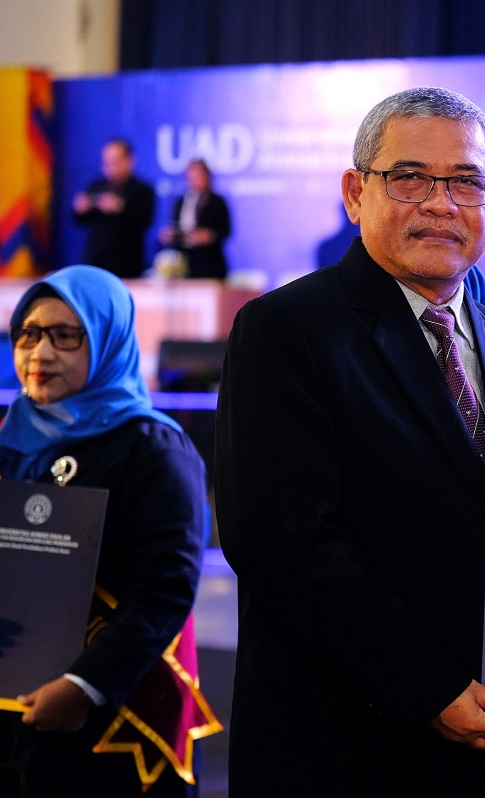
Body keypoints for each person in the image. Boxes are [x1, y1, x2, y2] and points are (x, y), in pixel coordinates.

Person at [214, 86, 485, 796]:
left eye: (466, 181)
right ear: (355, 192)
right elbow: (281, 544)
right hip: (344, 744)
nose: (440, 203)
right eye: (409, 177)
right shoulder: (288, 330)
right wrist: (430, 687)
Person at [0, 265, 221, 797]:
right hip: (15, 709)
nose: (40, 353)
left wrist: (84, 686)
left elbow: (165, 589)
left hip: (115, 714)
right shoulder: (11, 437)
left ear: (107, 340)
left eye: (65, 336)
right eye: (27, 334)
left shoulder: (151, 448)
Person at [71, 139, 156, 279]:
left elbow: (145, 220)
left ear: (130, 160)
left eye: (115, 161)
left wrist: (120, 208)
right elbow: (78, 220)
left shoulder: (142, 190)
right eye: (106, 162)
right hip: (96, 261)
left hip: (126, 264)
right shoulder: (97, 186)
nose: (110, 166)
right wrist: (80, 208)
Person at [157, 159, 232, 280]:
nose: (193, 180)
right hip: (183, 262)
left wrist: (209, 236)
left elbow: (226, 230)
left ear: (207, 176)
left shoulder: (217, 201)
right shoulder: (180, 201)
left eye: (198, 176)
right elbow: (175, 225)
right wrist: (171, 235)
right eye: (191, 176)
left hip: (209, 263)